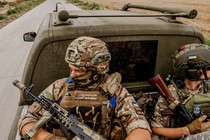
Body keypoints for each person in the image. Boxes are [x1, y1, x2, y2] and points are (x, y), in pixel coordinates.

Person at [18, 36, 151, 140]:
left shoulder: (115, 91)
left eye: (79, 71)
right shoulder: (59, 87)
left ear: (98, 69)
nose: (72, 75)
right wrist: (49, 138)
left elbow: (141, 129)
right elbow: (26, 120)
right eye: (71, 69)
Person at [151, 43, 210, 140]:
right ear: (194, 70)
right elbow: (156, 129)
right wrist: (188, 130)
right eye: (208, 68)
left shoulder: (206, 87)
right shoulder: (171, 93)